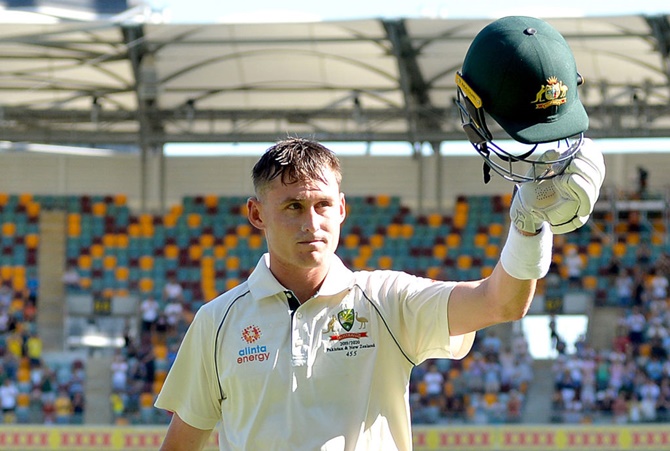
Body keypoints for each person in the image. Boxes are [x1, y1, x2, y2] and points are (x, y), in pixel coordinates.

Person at [155, 16, 605, 451]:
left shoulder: (386, 300)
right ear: (256, 214)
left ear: (343, 208)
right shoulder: (217, 322)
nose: (312, 223)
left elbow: (501, 302)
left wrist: (528, 224)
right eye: (293, 207)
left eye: (323, 205)